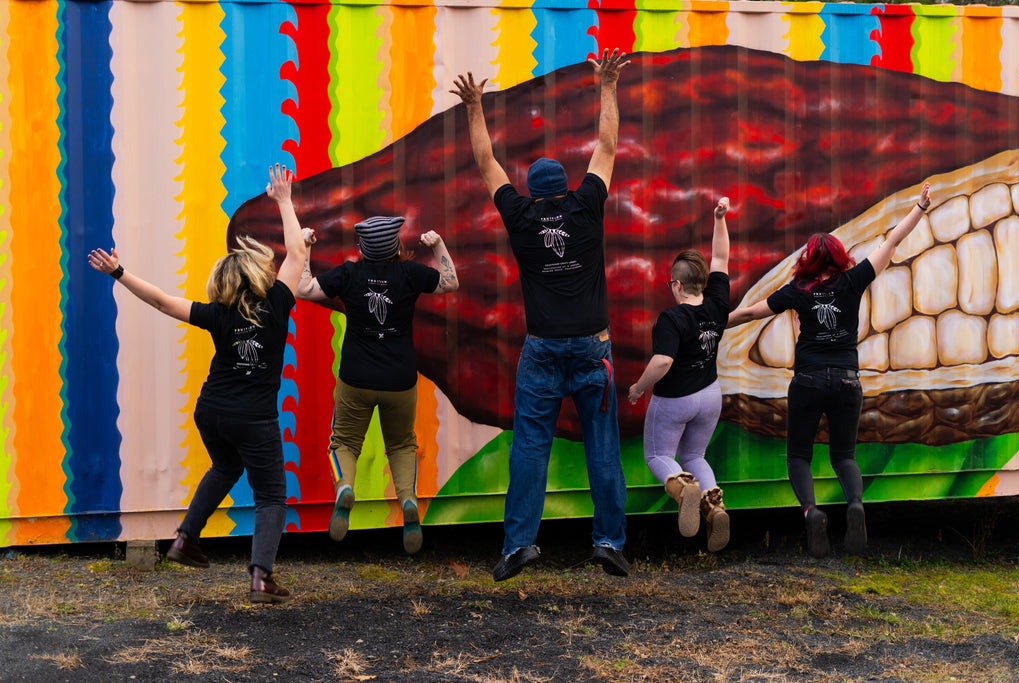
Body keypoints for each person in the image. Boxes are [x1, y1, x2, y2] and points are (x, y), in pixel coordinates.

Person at [451, 48, 632, 581]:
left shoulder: (521, 216)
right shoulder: (587, 205)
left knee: (530, 447)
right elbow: (607, 144)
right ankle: (609, 543)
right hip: (592, 348)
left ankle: (519, 547)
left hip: (544, 350)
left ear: (531, 191)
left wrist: (475, 107)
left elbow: (487, 163)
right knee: (603, 449)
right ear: (568, 187)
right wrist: (607, 85)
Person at [88, 164, 306, 603]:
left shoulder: (217, 315)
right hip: (252, 418)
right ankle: (261, 577)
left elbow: (163, 301)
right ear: (260, 275)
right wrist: (284, 200)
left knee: (226, 467)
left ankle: (186, 540)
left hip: (211, 411)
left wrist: (119, 272)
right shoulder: (278, 303)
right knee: (271, 496)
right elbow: (297, 255)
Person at [727, 182, 932, 557]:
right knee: (843, 456)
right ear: (838, 257)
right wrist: (919, 207)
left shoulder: (797, 291)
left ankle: (811, 512)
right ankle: (854, 504)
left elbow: (751, 312)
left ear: (808, 260)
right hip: (846, 382)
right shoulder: (852, 281)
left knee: (799, 456)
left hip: (806, 381)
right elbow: (891, 243)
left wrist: (711, 323)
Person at [296, 217, 458, 554]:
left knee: (344, 442)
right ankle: (408, 499)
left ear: (362, 248)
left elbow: (304, 289)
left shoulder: (348, 274)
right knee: (400, 444)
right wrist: (438, 243)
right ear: (396, 246)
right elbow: (449, 282)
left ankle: (345, 487)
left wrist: (306, 249)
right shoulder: (410, 274)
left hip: (356, 378)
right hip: (400, 380)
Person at [628, 197, 732, 553]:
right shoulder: (718, 303)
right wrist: (720, 219)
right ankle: (714, 506)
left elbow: (662, 362)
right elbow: (720, 258)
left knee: (659, 456)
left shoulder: (671, 319)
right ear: (703, 281)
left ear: (675, 285)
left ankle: (682, 487)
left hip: (676, 399)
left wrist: (639, 388)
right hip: (710, 395)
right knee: (694, 456)